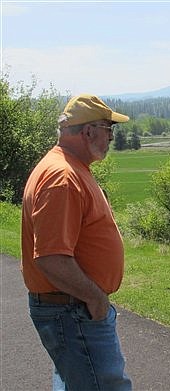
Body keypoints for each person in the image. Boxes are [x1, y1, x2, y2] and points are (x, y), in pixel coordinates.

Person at [21, 94, 132, 391]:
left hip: (73, 308)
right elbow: (51, 257)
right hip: (74, 310)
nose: (111, 137)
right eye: (109, 129)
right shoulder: (62, 177)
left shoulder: (70, 168)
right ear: (88, 131)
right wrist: (95, 299)